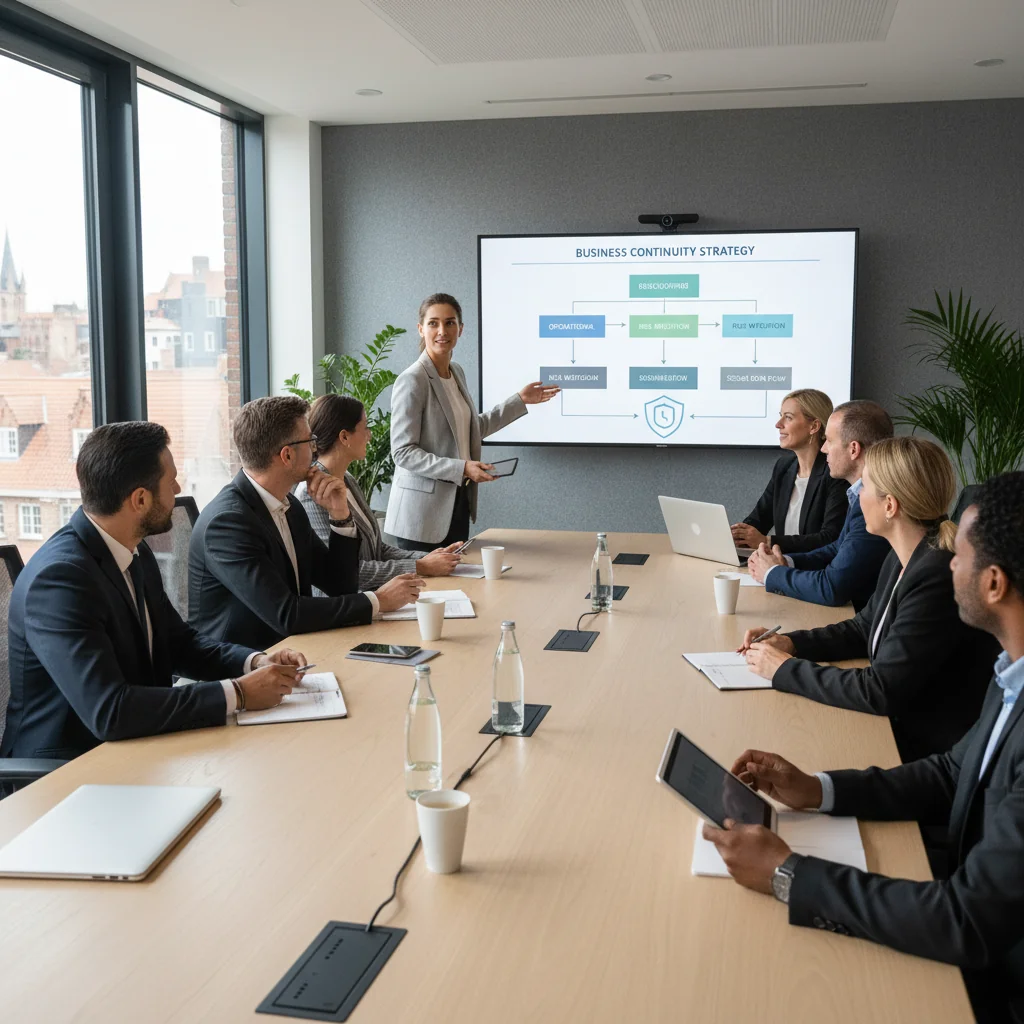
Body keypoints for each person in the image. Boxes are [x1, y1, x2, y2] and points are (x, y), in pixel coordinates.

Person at [703, 471, 1024, 1024]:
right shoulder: (1010, 671)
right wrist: (818, 789)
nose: (949, 563)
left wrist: (788, 874)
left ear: (993, 583)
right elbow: (953, 773)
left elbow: (966, 921)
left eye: (961, 556)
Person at [1, 422, 305, 762]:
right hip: (66, 771)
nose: (178, 487)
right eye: (171, 480)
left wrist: (253, 662)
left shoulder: (134, 550)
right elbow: (110, 711)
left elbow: (179, 643)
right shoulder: (59, 580)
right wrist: (238, 694)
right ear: (140, 499)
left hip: (139, 745)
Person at [740, 436, 998, 764]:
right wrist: (791, 643)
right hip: (893, 729)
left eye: (864, 488)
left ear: (890, 506)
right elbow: (864, 629)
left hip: (917, 752)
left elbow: (880, 691)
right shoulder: (904, 555)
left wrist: (786, 670)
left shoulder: (935, 575)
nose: (858, 497)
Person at [189, 396, 423, 652]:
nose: (316, 448)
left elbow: (339, 586)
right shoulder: (228, 523)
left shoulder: (289, 506)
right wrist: (378, 601)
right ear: (287, 455)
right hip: (248, 665)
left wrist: (340, 515)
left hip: (294, 651)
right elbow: (287, 614)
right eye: (310, 441)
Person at [384, 293, 559, 550]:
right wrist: (463, 468)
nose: (442, 331)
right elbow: (403, 453)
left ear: (461, 329)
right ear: (421, 329)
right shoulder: (413, 380)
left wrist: (520, 400)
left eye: (450, 322)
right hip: (420, 517)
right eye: (433, 323)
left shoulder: (456, 372)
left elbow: (470, 430)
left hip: (456, 503)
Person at [296, 394, 462, 590]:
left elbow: (377, 549)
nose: (370, 435)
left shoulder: (347, 479)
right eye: (365, 427)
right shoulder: (311, 493)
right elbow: (344, 571)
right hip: (347, 609)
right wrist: (420, 566)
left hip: (376, 598)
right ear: (344, 437)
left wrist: (430, 557)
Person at [748, 399, 893, 610]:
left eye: (829, 441)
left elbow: (833, 588)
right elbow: (836, 548)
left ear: (854, 449)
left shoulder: (876, 501)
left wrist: (773, 573)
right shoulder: (860, 493)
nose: (823, 448)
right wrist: (786, 561)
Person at [731, 389, 848, 554]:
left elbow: (830, 537)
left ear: (813, 426)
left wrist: (768, 541)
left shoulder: (835, 473)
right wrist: (735, 534)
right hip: (780, 566)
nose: (778, 424)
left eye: (788, 417)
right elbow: (758, 520)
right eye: (781, 416)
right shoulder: (784, 467)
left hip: (814, 572)